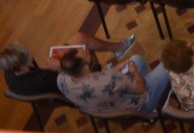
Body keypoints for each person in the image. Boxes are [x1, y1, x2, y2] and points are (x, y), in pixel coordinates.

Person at [3, 33, 135, 96]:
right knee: (83, 47)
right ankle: (106, 64)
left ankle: (117, 49)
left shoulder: (9, 75)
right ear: (23, 64)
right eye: (27, 52)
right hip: (74, 87)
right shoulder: (43, 77)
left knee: (80, 39)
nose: (29, 50)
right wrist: (59, 66)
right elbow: (72, 80)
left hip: (57, 82)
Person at [57, 48, 170, 116]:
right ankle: (154, 106)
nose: (86, 50)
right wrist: (134, 72)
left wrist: (114, 69)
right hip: (142, 104)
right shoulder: (112, 80)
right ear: (86, 69)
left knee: (136, 59)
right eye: (85, 54)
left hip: (109, 108)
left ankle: (157, 85)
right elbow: (141, 88)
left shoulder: (62, 81)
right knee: (171, 62)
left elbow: (97, 78)